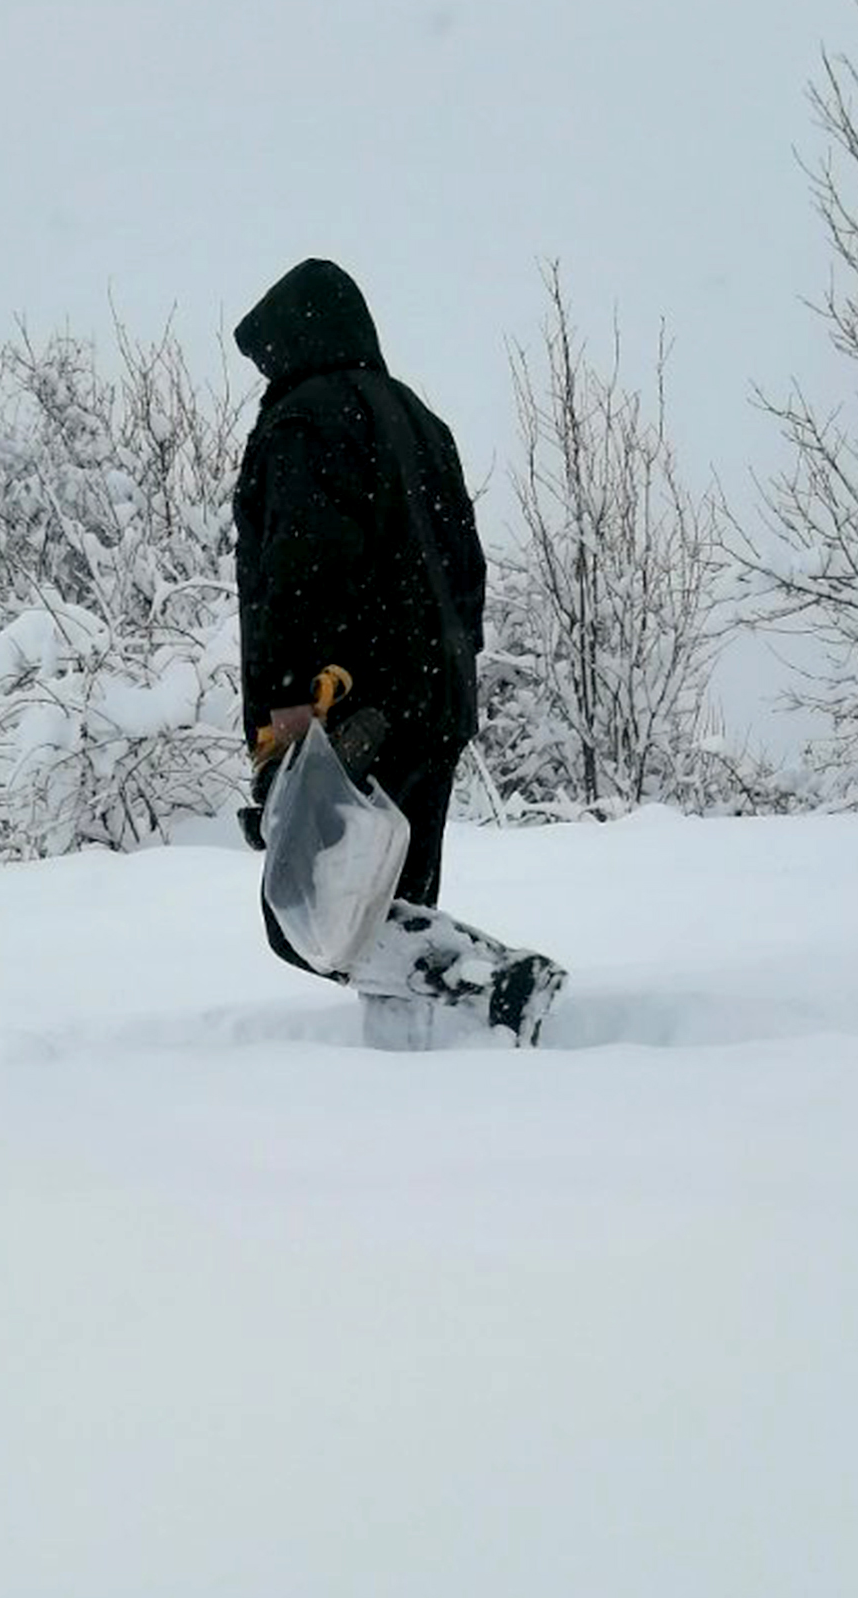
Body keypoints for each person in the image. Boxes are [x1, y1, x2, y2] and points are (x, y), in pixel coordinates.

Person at [231, 257, 564, 1048]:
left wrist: (288, 698)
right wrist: (454, 665)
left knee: (309, 912)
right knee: (395, 897)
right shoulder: (422, 422)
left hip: (346, 705)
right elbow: (467, 567)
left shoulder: (306, 419)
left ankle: (497, 983)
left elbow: (298, 565)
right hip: (435, 698)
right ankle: (417, 1071)